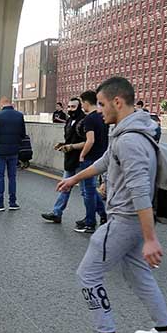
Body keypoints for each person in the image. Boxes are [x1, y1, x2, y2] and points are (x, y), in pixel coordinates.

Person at [56, 76, 167, 333]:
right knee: (139, 275)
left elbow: (140, 191)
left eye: (101, 104)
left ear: (118, 102)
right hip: (133, 222)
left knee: (87, 274)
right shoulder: (135, 132)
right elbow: (105, 162)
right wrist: (74, 178)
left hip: (124, 220)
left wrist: (151, 239)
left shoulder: (129, 140)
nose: (98, 111)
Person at [65, 91, 108, 233]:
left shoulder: (89, 119)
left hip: (90, 158)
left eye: (82, 103)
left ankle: (90, 222)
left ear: (85, 102)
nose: (82, 106)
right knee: (91, 189)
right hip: (101, 157)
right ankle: (103, 215)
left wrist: (82, 155)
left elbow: (90, 140)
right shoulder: (103, 116)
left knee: (88, 192)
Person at [42, 98, 85, 223]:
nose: (70, 109)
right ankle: (57, 213)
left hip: (81, 159)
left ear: (79, 107)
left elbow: (87, 141)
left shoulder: (84, 121)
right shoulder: (69, 120)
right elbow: (69, 139)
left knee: (86, 191)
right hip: (70, 159)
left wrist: (71, 146)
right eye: (69, 107)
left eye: (73, 107)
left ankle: (100, 213)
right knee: (65, 186)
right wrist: (62, 144)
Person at [0, 97, 25, 211]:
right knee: (12, 177)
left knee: (0, 176)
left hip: (0, 151)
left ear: (1, 104)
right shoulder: (19, 115)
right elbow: (23, 134)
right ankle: (13, 203)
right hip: (14, 151)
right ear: (11, 104)